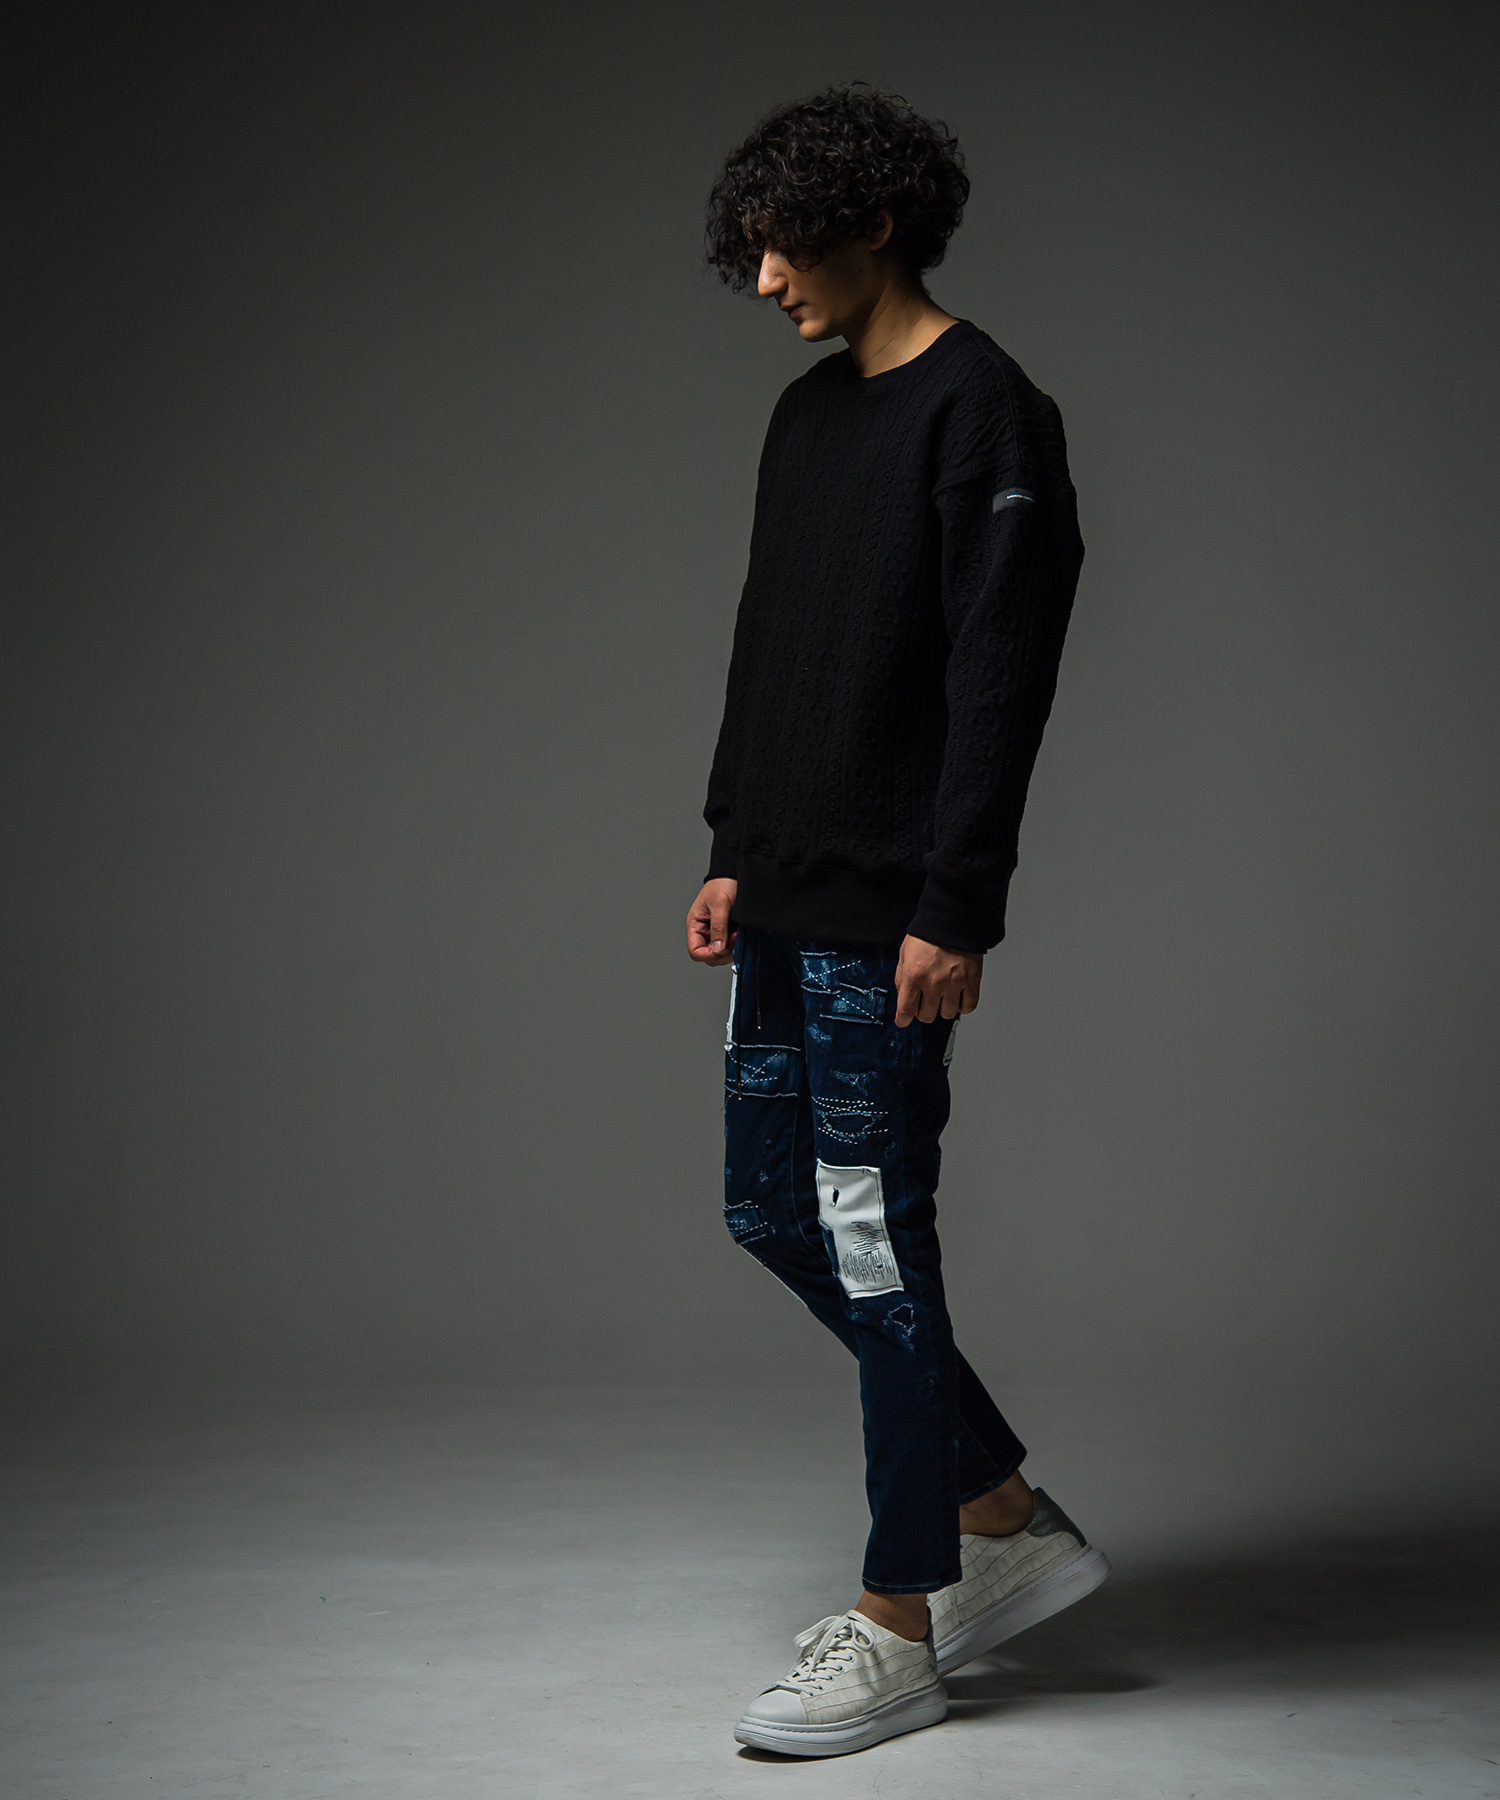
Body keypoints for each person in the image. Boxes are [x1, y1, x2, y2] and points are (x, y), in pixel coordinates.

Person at [686, 83, 1104, 1758]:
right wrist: (731, 843)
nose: (766, 277)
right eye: (751, 252)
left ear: (870, 220)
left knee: (872, 1236)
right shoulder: (805, 419)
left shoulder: (988, 415)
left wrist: (958, 905)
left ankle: (899, 1624)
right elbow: (771, 638)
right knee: (770, 1212)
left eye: (784, 245)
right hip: (783, 895)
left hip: (892, 920)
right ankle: (999, 1514)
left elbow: (1001, 683)